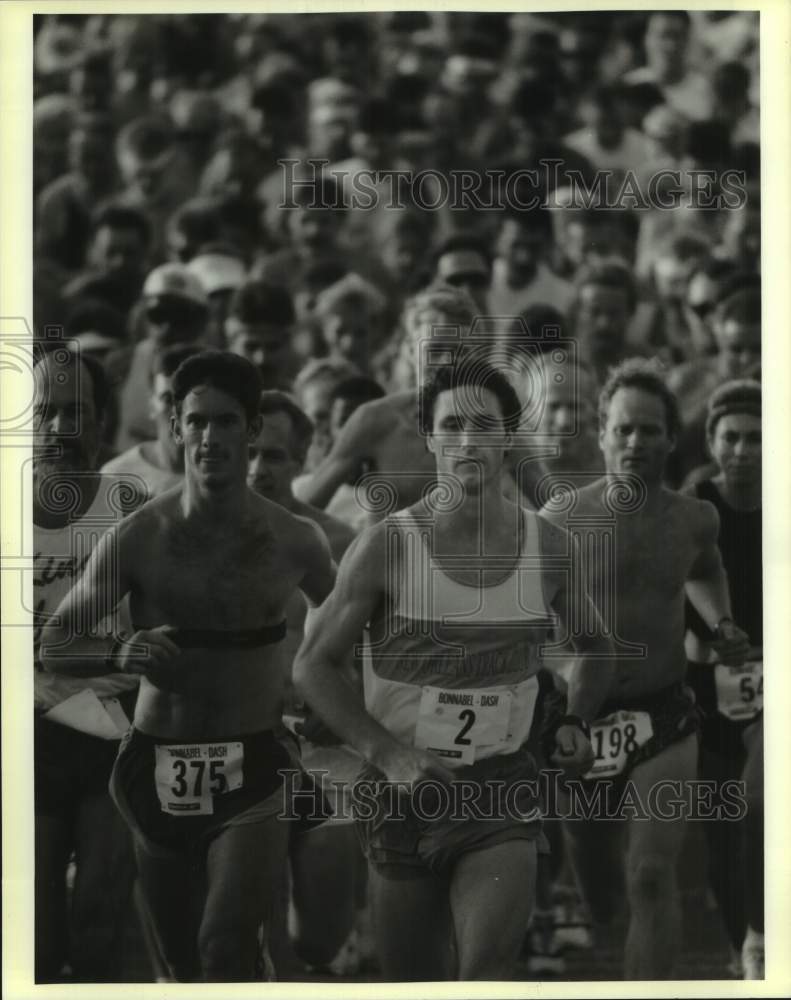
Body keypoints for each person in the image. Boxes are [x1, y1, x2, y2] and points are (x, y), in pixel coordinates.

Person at [294, 358, 616, 980]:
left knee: (485, 970)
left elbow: (597, 647)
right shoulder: (389, 544)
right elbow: (314, 666)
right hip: (403, 793)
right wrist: (389, 756)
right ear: (431, 437)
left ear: (506, 438)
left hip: (503, 787)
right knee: (414, 980)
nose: (468, 440)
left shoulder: (549, 547)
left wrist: (576, 719)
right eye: (452, 426)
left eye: (484, 426)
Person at [40, 351, 336, 982]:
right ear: (174, 427)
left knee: (223, 944)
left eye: (226, 422)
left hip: (254, 762)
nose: (210, 438)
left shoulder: (294, 540)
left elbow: (342, 630)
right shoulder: (140, 536)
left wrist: (324, 695)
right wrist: (121, 651)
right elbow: (57, 642)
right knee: (179, 963)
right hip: (155, 759)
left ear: (252, 431)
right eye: (196, 421)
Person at [540, 359, 750, 979]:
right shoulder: (559, 521)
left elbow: (707, 570)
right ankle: (595, 901)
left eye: (650, 431)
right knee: (603, 890)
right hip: (580, 720)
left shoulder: (693, 518)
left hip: (664, 712)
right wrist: (567, 672)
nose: (636, 443)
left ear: (671, 438)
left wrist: (723, 623)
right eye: (624, 429)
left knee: (652, 877)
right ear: (602, 433)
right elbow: (531, 624)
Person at [247, 391, 367, 974]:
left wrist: (347, 699)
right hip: (239, 748)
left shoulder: (344, 543)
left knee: (320, 937)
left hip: (326, 751)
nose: (256, 469)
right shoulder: (191, 536)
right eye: (247, 452)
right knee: (251, 941)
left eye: (273, 456)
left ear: (302, 459)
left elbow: (380, 651)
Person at [32, 346, 139, 982]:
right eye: (43, 413)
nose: (57, 430)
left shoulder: (135, 509)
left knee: (100, 917)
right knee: (36, 935)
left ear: (102, 423)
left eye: (75, 413)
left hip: (115, 728)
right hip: (26, 733)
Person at [683, 380, 763, 978]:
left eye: (756, 438)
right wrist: (718, 636)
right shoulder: (696, 506)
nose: (743, 450)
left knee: (762, 807)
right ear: (711, 442)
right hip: (708, 678)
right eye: (730, 438)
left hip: (774, 679)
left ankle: (761, 935)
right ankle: (744, 947)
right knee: (721, 824)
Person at [115, 263, 210, 452]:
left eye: (179, 317)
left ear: (201, 321)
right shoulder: (122, 364)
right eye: (158, 314)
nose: (167, 327)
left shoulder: (220, 369)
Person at [101, 344, 201, 502]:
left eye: (190, 400)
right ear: (152, 405)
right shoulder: (117, 476)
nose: (178, 413)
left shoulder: (234, 473)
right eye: (168, 400)